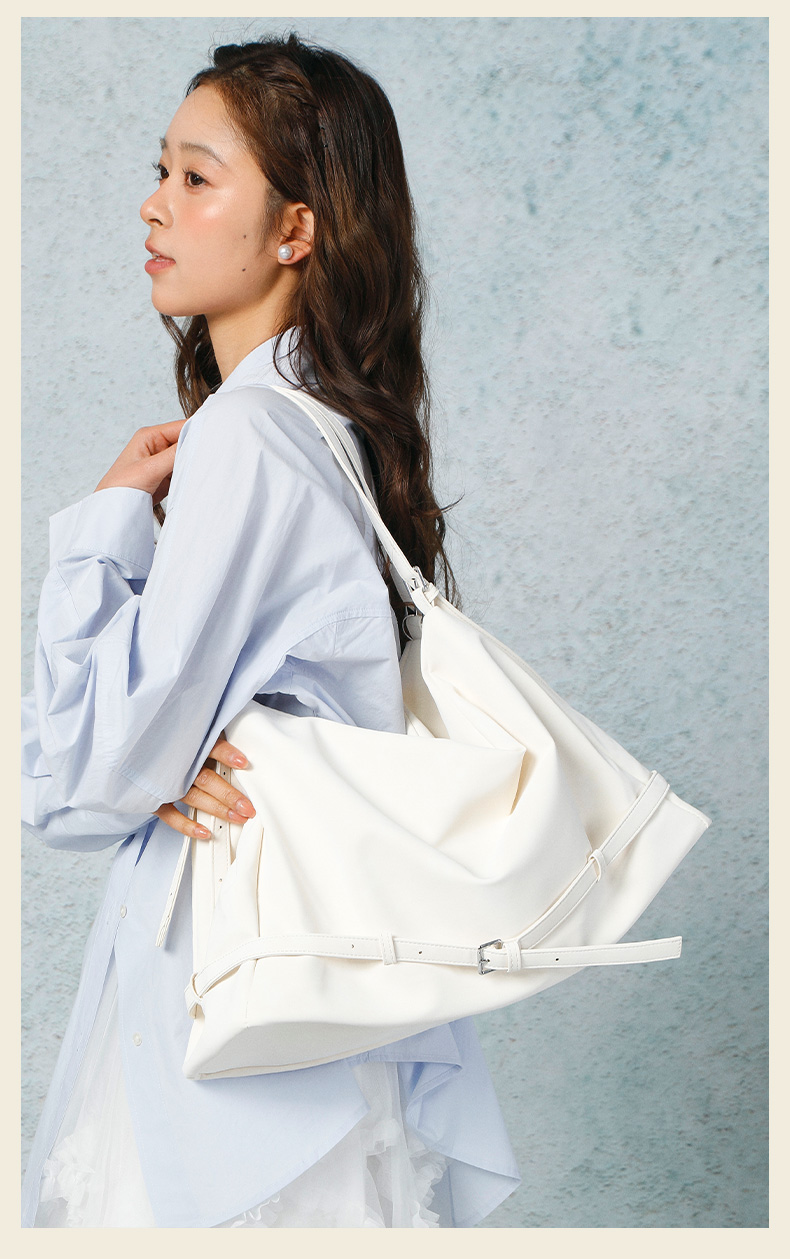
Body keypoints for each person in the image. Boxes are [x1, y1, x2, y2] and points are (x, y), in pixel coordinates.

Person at [21, 34, 521, 1228]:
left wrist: (98, 536)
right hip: (308, 985)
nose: (155, 203)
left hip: (229, 991)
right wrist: (168, 757)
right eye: (161, 170)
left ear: (297, 228)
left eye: (198, 177)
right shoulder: (334, 427)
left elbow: (72, 781)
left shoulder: (249, 435)